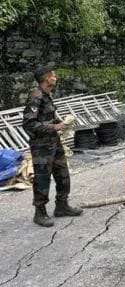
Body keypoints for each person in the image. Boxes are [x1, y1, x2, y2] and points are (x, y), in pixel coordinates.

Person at [22, 66, 83, 227]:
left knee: (63, 174)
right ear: (46, 78)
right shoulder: (36, 97)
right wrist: (53, 127)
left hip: (54, 143)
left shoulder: (47, 96)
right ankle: (40, 213)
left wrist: (61, 123)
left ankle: (62, 206)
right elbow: (29, 123)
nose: (55, 77)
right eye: (53, 76)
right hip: (41, 146)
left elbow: (47, 117)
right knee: (42, 179)